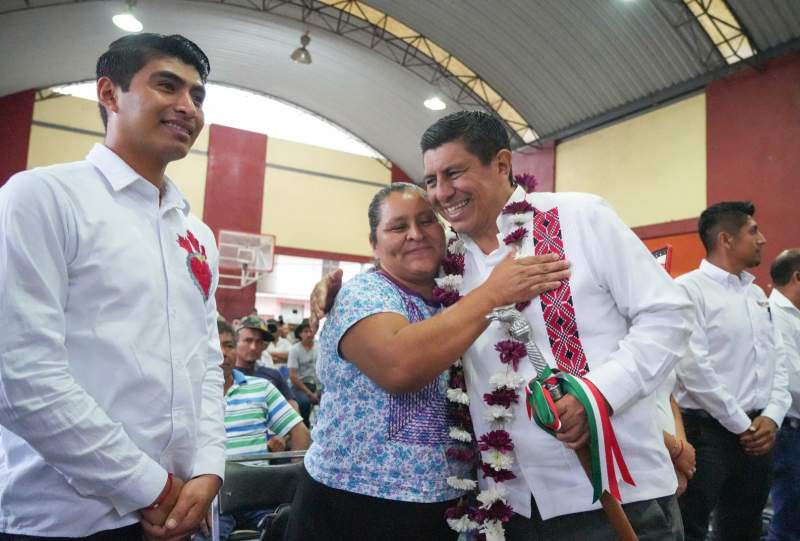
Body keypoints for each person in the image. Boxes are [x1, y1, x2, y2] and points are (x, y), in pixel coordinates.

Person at [313, 111, 693, 540]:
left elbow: (669, 314)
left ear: (501, 164)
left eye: (454, 173)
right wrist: (333, 293)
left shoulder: (579, 217)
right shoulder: (448, 263)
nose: (441, 193)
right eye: (432, 180)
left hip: (616, 492)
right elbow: (395, 273)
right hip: (509, 506)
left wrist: (598, 394)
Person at [0, 34, 224, 539]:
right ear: (109, 93)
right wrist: (150, 487)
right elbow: (19, 375)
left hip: (180, 509)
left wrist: (209, 467)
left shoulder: (196, 233)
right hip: (66, 518)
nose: (188, 106)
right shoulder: (44, 197)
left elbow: (206, 363)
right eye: (168, 85)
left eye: (198, 95)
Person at [286, 183, 569, 541]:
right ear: (374, 244)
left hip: (445, 505)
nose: (416, 235)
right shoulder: (362, 295)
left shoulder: (455, 292)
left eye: (426, 221)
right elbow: (400, 368)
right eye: (397, 227)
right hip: (353, 504)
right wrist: (494, 293)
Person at [674, 202, 790, 541]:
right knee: (690, 527)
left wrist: (772, 416)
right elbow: (693, 369)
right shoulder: (688, 290)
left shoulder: (755, 294)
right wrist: (742, 424)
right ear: (726, 239)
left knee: (744, 528)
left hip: (758, 435)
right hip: (708, 435)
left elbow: (775, 359)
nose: (763, 239)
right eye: (753, 231)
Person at [196, 322, 310, 541]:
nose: (222, 353)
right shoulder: (193, 394)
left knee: (293, 529)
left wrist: (292, 477)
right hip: (213, 497)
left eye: (228, 345)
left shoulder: (261, 387)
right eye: (214, 347)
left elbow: (300, 431)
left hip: (259, 494)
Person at [765, 249, 800, 541]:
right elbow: (792, 381)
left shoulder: (794, 316)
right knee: (789, 522)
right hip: (788, 431)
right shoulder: (774, 314)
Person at [234, 316, 298, 410]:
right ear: (236, 342)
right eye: (248, 340)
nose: (253, 347)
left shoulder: (273, 375)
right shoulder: (224, 376)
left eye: (259, 342)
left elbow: (293, 410)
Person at [287, 321, 320, 425]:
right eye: (306, 331)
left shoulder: (320, 347)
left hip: (318, 385)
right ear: (300, 334)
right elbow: (293, 376)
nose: (309, 334)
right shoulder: (295, 349)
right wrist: (310, 394)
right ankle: (304, 426)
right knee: (304, 402)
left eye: (311, 331)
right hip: (300, 385)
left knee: (330, 399)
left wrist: (318, 391)